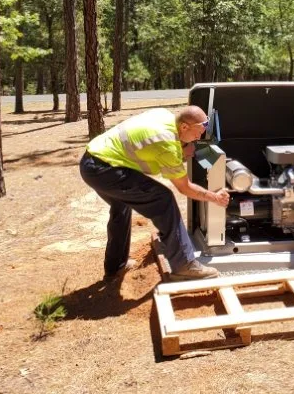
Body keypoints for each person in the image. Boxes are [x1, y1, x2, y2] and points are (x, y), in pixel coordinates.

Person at [80, 105, 230, 281]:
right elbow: (184, 188)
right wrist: (215, 197)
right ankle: (184, 265)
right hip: (104, 170)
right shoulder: (167, 145)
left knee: (121, 206)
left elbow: (149, 144)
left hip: (92, 160)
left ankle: (115, 267)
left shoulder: (165, 115)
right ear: (184, 127)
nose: (199, 138)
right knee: (163, 199)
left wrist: (183, 144)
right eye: (198, 133)